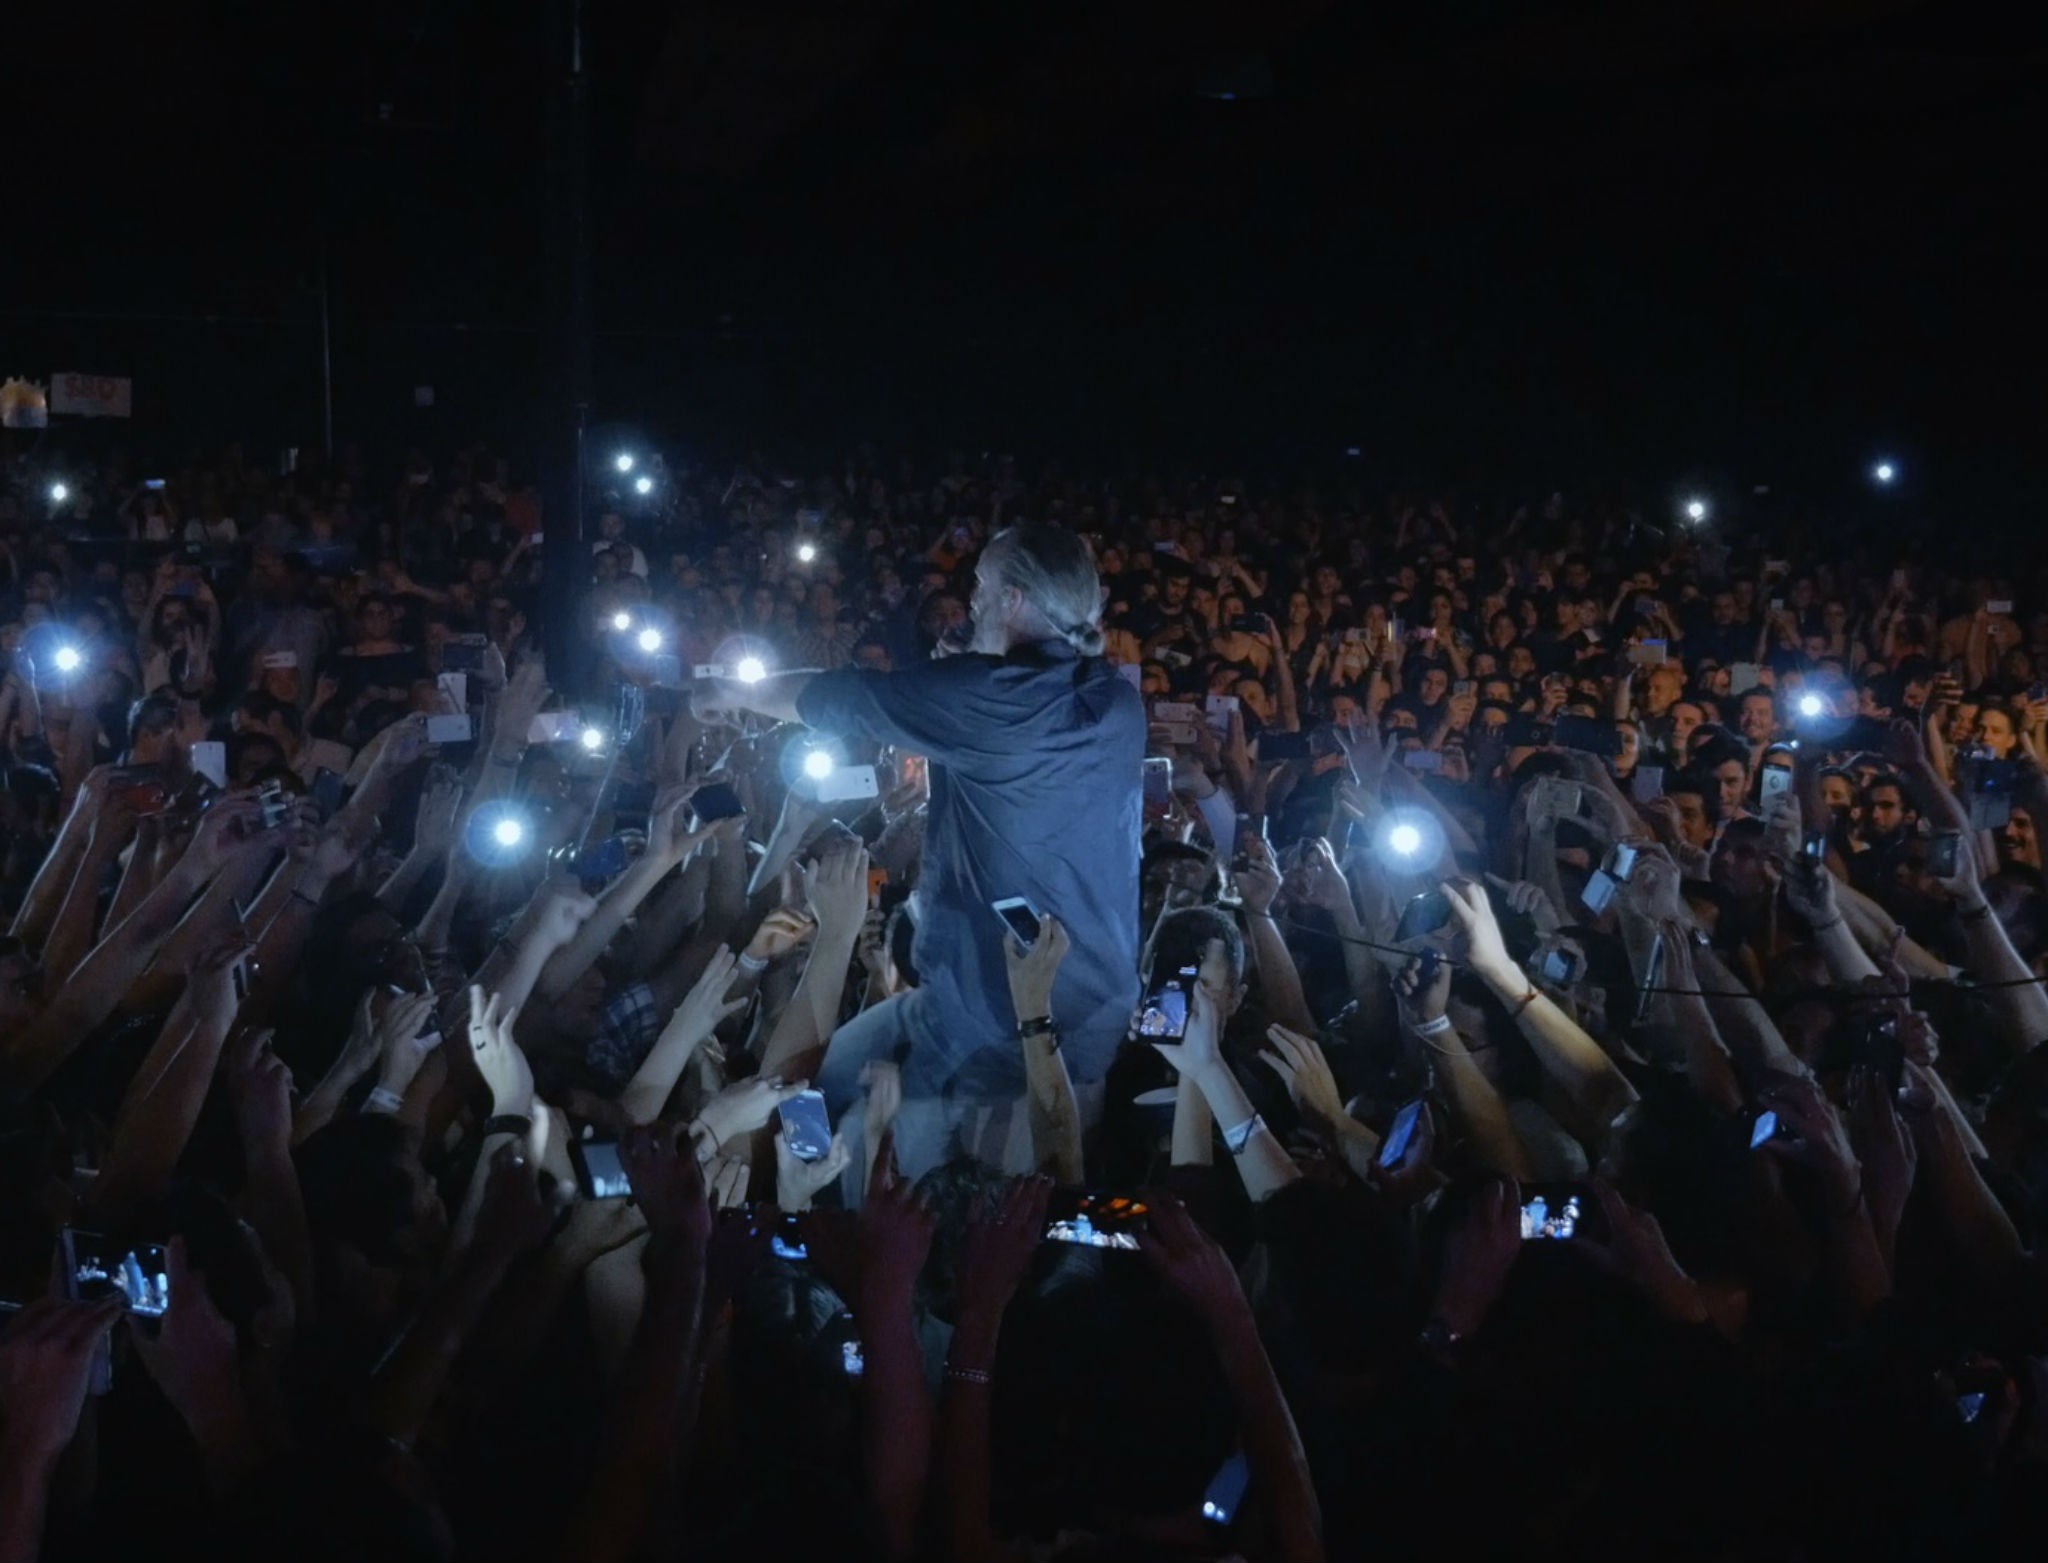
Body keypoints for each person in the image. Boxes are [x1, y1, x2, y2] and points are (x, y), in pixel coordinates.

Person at [697, 522, 1144, 1130]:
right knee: (823, 1084)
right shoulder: (1115, 699)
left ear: (1011, 599)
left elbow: (845, 698)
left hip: (1001, 1017)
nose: (973, 601)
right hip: (1090, 992)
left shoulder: (985, 698)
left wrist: (734, 695)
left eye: (982, 586)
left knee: (854, 1151)